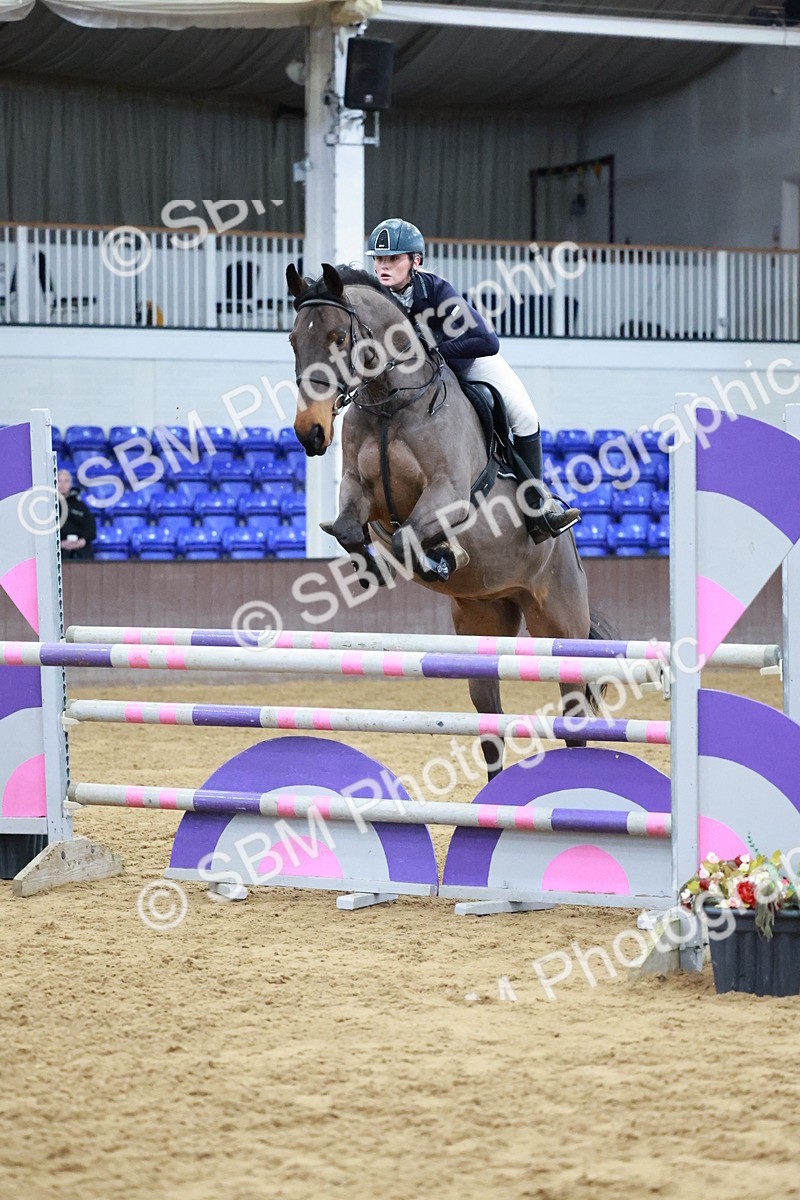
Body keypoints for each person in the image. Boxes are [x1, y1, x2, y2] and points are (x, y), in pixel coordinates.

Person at [366, 218, 580, 540]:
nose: (384, 266)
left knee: (525, 415)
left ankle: (537, 508)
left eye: (393, 259)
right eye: (379, 259)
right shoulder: (373, 301)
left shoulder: (437, 292)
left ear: (416, 261)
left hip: (470, 362)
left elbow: (486, 341)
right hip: (416, 381)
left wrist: (434, 352)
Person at [57, 469, 96, 560]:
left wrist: (82, 541)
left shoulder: (80, 506)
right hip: (58, 549)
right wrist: (59, 543)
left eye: (66, 481)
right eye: (59, 481)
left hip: (80, 548)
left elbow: (91, 527)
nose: (62, 484)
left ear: (70, 484)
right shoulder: (48, 506)